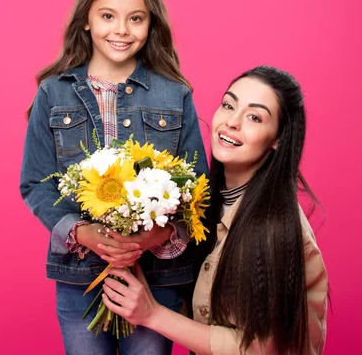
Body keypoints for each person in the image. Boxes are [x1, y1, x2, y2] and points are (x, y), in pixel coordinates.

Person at [19, 0, 209, 354]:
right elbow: (36, 183)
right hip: (78, 279)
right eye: (108, 15)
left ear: (150, 24)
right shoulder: (53, 94)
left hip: (158, 279)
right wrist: (83, 232)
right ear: (86, 19)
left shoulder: (175, 95)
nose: (121, 30)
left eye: (136, 18)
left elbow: (196, 192)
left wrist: (148, 238)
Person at [101, 66, 328, 354]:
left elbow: (257, 349)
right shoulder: (205, 204)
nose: (232, 122)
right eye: (228, 105)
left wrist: (152, 314)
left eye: (254, 117)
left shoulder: (274, 226)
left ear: (277, 139)